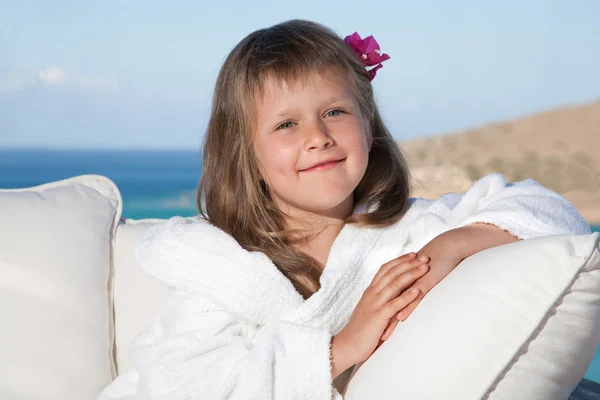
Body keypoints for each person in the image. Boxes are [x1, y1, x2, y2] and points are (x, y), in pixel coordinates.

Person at [98, 19, 591, 400]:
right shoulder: (221, 265)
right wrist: (341, 346)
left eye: (334, 112)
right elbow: (185, 386)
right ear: (244, 152)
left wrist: (451, 247)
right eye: (286, 124)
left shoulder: (409, 232)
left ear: (368, 123)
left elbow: (551, 216)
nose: (318, 137)